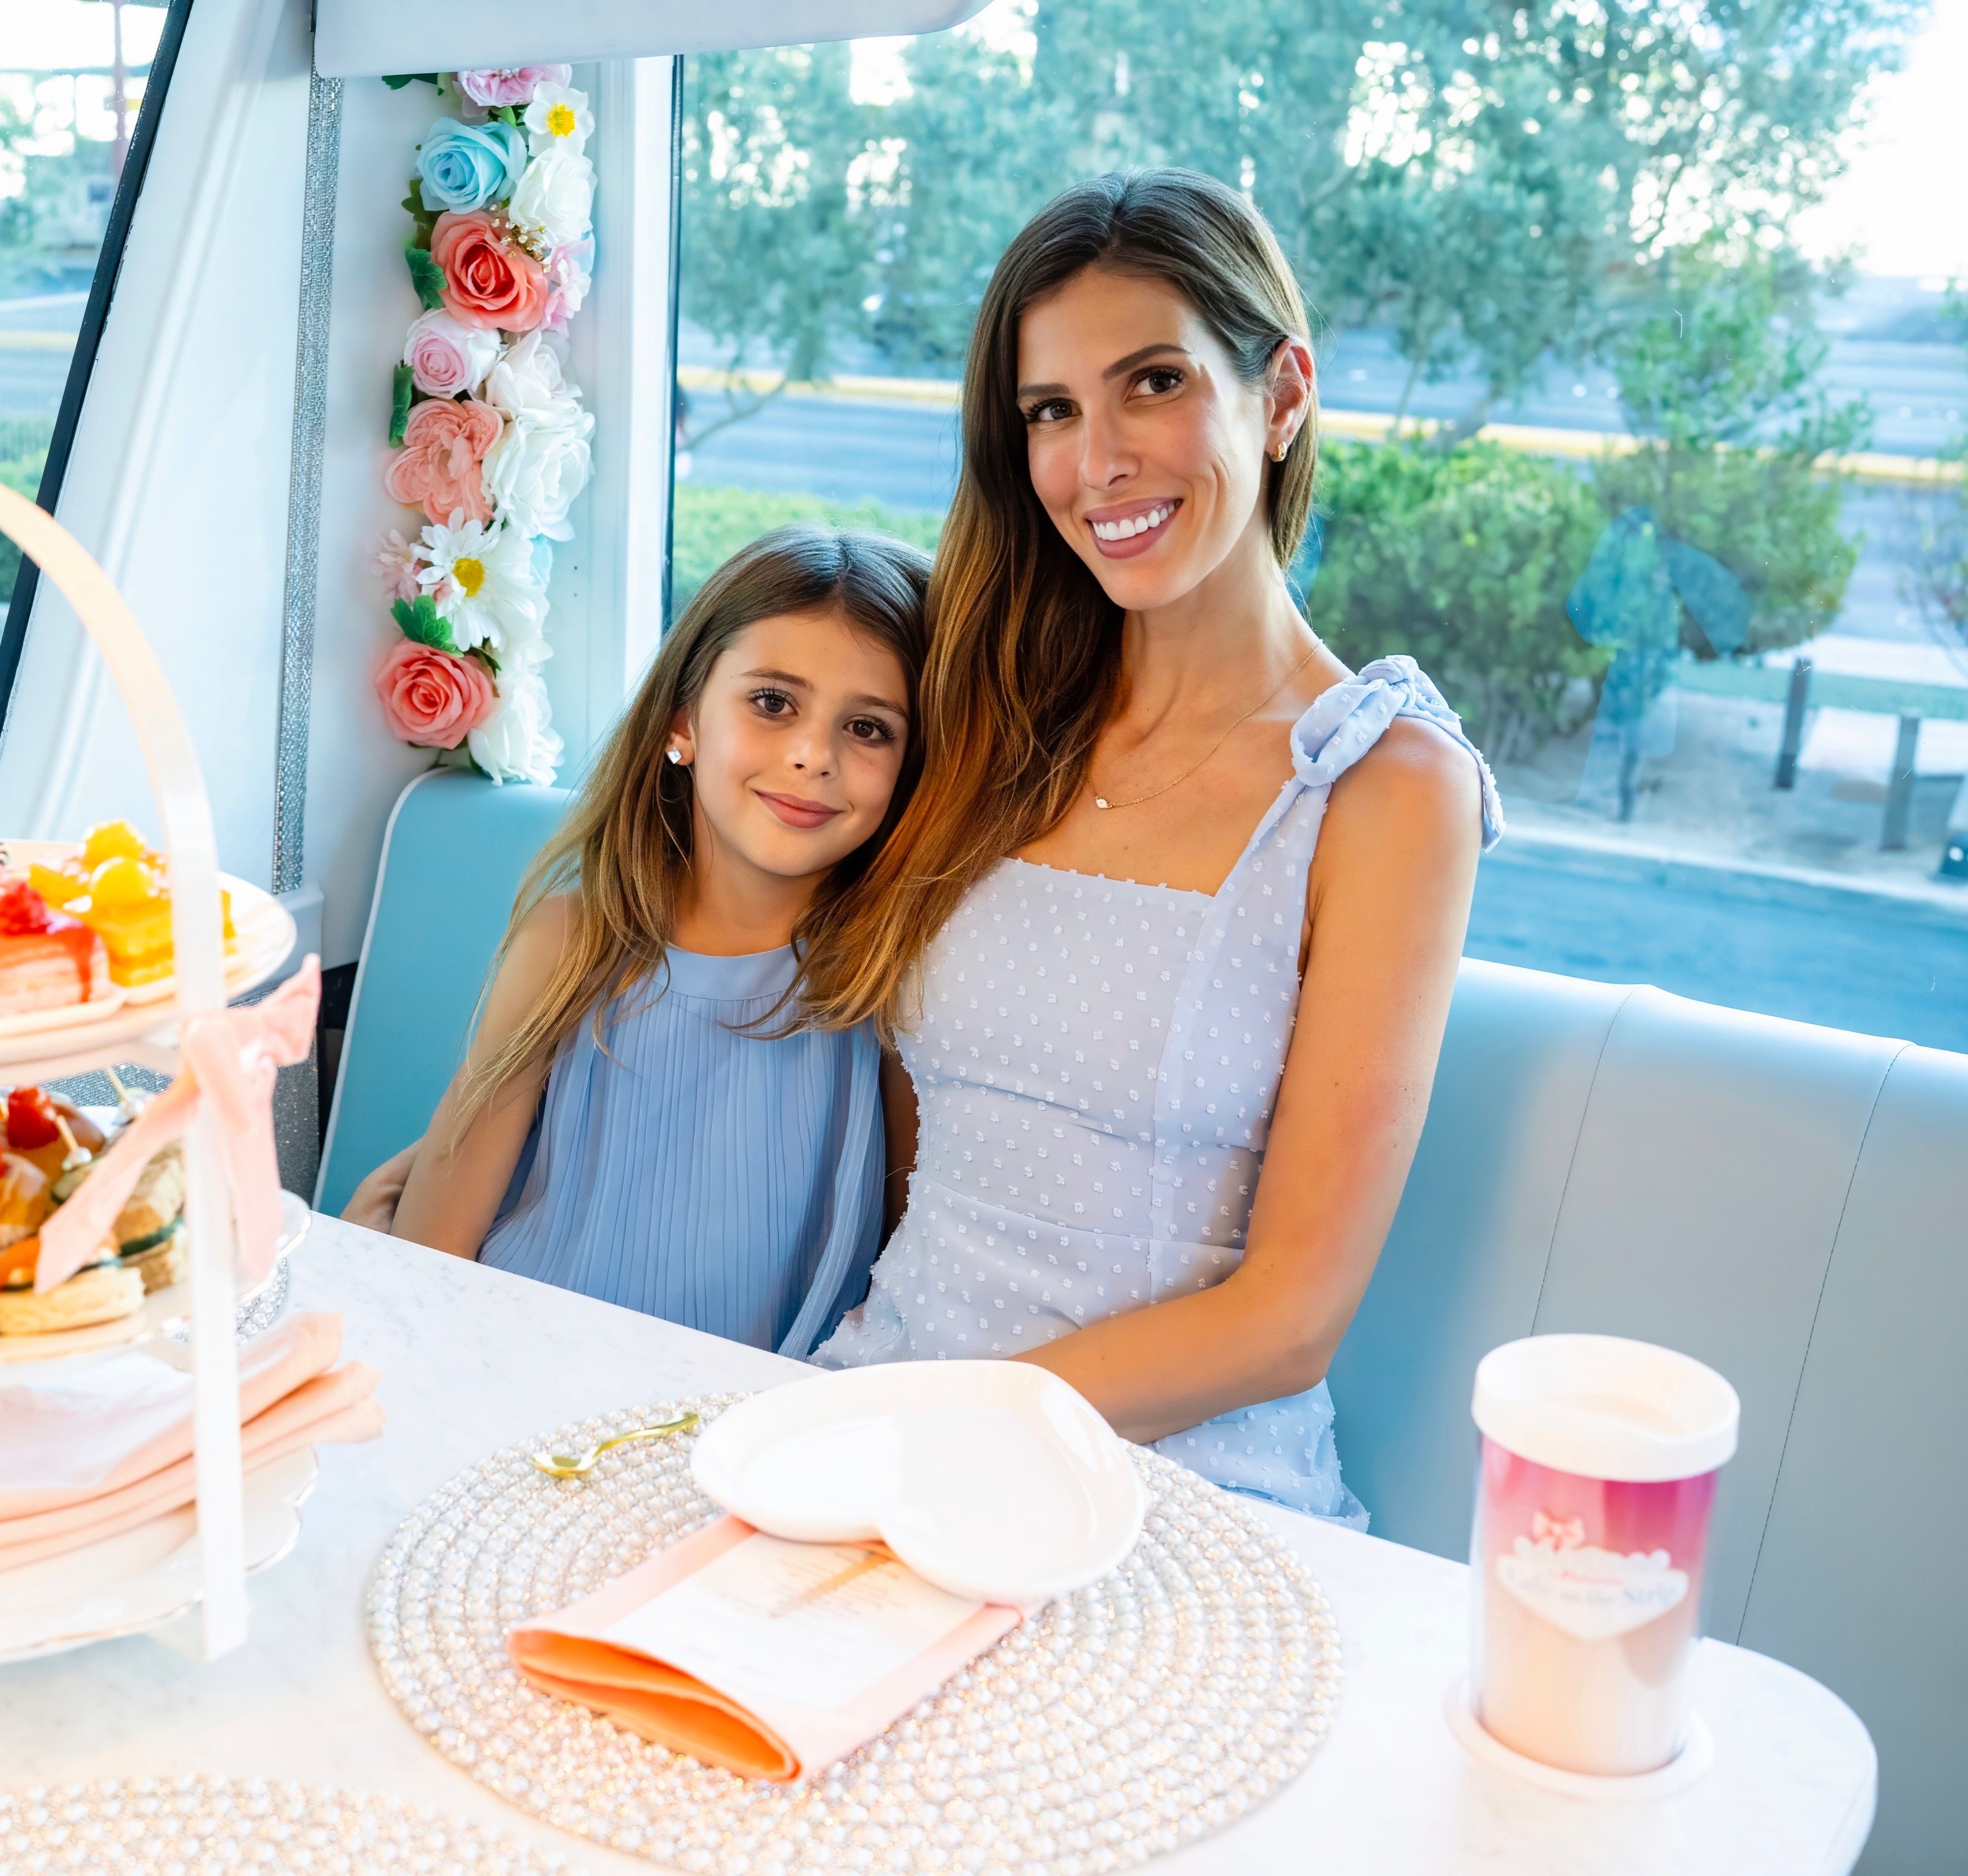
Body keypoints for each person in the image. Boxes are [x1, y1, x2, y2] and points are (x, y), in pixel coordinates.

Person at [807, 169, 1503, 1526]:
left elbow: (1289, 1319)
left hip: (1170, 1496)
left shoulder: (1383, 786)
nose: (1098, 460)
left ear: (1283, 396)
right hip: (878, 1417)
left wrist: (940, 1431)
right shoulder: (991, 718)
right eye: (1052, 411)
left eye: (1155, 385)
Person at [343, 525, 930, 1357]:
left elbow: (915, 1268)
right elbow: (433, 1252)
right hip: (525, 1382)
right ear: (683, 722)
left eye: (869, 728)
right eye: (773, 703)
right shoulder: (571, 941)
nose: (813, 755)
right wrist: (380, 1264)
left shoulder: (893, 988)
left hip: (753, 1435)